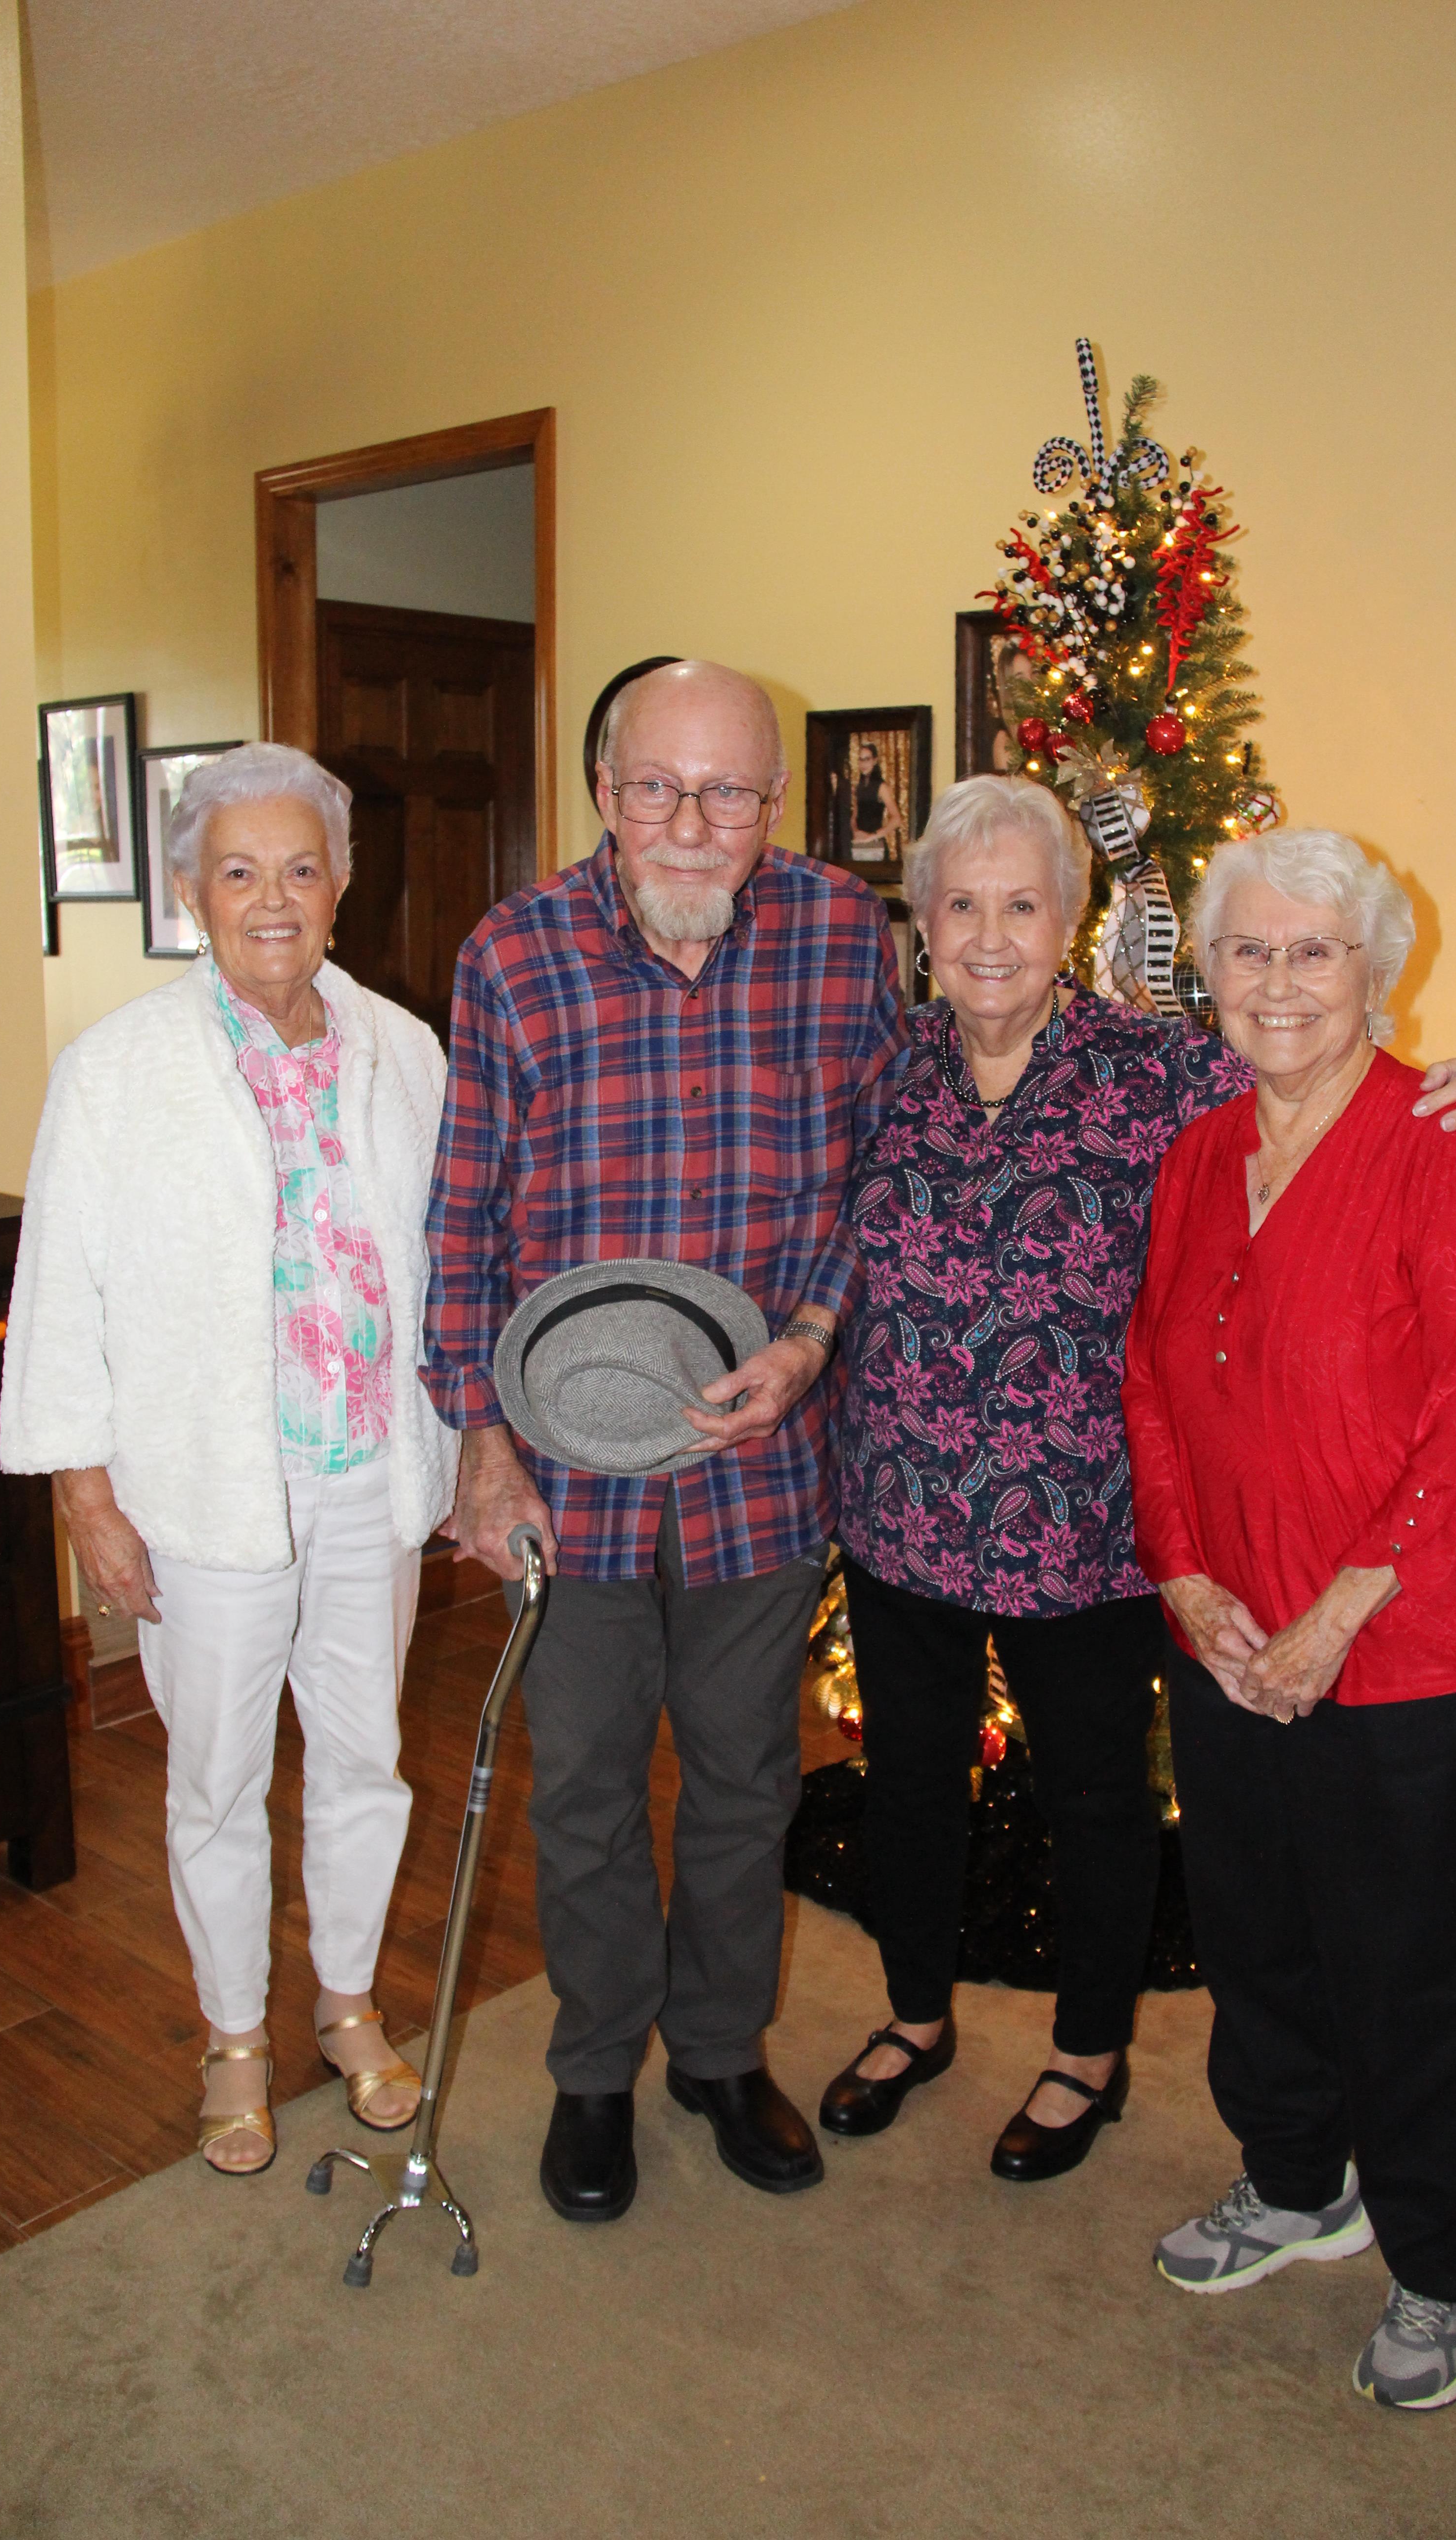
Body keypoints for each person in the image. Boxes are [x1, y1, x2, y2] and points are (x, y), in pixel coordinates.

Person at [820, 777, 1456, 2184]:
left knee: (1095, 1801)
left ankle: (1087, 2055)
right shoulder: (884, 1067)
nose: (994, 936)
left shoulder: (1159, 1070)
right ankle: (912, 2018)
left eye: (1024, 904)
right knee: (909, 1786)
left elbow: (1324, 1092)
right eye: (963, 906)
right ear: (927, 927)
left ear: (1074, 919)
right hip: (895, 1505)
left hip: (1087, 1526)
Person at [424, 659, 908, 2222]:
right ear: (604, 792)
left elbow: (873, 1182)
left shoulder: (845, 939)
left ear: (778, 802)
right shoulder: (514, 957)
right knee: (581, 1792)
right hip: (568, 1477)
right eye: (658, 789)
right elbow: (459, 1225)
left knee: (744, 1780)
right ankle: (590, 2075)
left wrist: (812, 1337)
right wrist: (478, 1450)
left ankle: (713, 2052)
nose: (693, 827)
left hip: (765, 1459)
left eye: (730, 794)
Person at [1122, 827, 1456, 2412]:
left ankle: (1440, 2264)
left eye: (1315, 951)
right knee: (1256, 1941)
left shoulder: (1445, 1147)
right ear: (1209, 979)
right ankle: (1296, 2183)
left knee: (1414, 1971)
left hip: (1424, 1649)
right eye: (1249, 951)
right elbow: (1150, 1385)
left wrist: (1329, 1620)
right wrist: (1186, 1581)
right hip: (1229, 1630)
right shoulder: (1190, 1158)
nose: (1279, 981)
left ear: (1379, 972)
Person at [0, 743, 458, 2175]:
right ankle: (235, 2037)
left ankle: (344, 2004)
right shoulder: (117, 1071)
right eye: (241, 872)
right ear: (191, 891)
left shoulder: (405, 1050)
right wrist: (84, 1491)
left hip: (366, 1483)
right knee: (213, 1782)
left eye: (302, 869)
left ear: (342, 886)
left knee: (367, 1762)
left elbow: (442, 1266)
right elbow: (59, 1285)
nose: (275, 900)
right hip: (204, 1494)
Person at [848, 738, 904, 866]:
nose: (863, 764)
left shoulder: (881, 787)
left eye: (867, 759)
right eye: (861, 760)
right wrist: (856, 832)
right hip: (859, 845)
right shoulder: (859, 787)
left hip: (876, 846)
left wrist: (873, 836)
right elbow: (855, 816)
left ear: (875, 760)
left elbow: (897, 819)